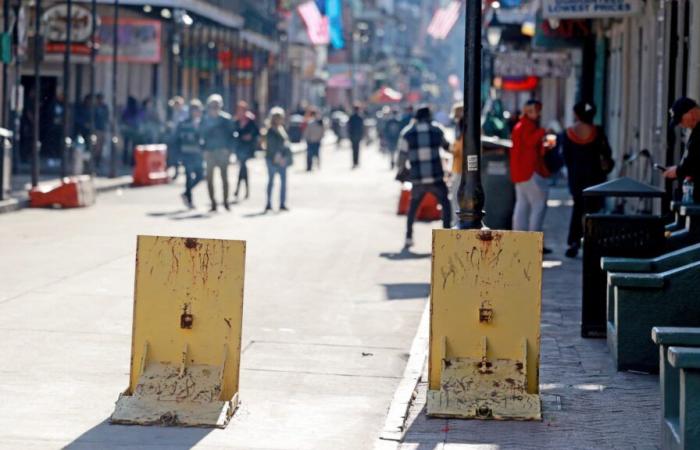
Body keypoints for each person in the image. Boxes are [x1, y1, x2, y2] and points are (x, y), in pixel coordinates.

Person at [561, 101, 614, 258]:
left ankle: (574, 242)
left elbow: (566, 157)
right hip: (595, 176)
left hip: (577, 176)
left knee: (578, 209)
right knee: (593, 210)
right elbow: (607, 153)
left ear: (577, 114)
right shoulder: (598, 132)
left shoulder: (569, 133)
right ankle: (593, 241)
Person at [396, 105, 452, 248]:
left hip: (417, 179)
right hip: (436, 177)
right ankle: (446, 236)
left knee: (413, 207)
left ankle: (409, 237)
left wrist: (402, 171)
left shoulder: (407, 133)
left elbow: (401, 158)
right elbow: (447, 147)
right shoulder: (437, 130)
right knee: (445, 204)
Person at [510, 100, 552, 253]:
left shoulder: (519, 126)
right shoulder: (528, 126)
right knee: (538, 205)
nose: (539, 114)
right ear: (529, 111)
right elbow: (530, 142)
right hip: (530, 171)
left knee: (522, 204)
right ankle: (535, 243)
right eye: (536, 110)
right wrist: (544, 132)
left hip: (519, 172)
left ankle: (519, 240)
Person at [201, 94, 235, 212]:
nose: (214, 108)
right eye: (212, 106)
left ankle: (225, 201)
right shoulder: (205, 120)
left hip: (222, 152)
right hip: (210, 152)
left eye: (216, 106)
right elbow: (201, 136)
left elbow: (232, 136)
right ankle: (213, 202)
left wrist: (229, 151)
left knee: (224, 178)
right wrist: (203, 150)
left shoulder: (226, 119)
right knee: (209, 178)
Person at [663, 97, 700, 203]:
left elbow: (694, 161)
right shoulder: (695, 132)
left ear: (692, 113)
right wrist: (678, 169)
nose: (681, 124)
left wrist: (678, 171)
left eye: (681, 120)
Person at [173, 99, 204, 209]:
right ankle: (190, 200)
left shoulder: (201, 123)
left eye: (199, 110)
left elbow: (203, 138)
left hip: (197, 154)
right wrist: (177, 155)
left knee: (200, 175)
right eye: (195, 110)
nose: (197, 112)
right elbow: (176, 139)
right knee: (188, 176)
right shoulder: (183, 123)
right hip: (186, 153)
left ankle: (186, 192)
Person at [264, 107, 293, 212]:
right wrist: (277, 157)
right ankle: (268, 203)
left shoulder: (282, 129)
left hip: (282, 159)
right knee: (271, 181)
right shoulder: (270, 131)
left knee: (283, 182)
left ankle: (282, 203)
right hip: (273, 159)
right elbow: (271, 146)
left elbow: (285, 145)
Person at [233, 101, 259, 200]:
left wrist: (250, 136)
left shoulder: (250, 120)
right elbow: (233, 133)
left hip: (248, 148)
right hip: (239, 147)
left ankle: (238, 189)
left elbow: (256, 132)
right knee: (243, 168)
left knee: (242, 167)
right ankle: (245, 190)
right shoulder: (236, 121)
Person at [450, 102, 464, 225]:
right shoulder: (459, 128)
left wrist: (454, 150)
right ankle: (456, 221)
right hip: (458, 167)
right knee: (455, 195)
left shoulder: (465, 128)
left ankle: (457, 221)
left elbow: (460, 149)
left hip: (462, 168)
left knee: (456, 196)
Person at [121, 96, 143, 166]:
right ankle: (131, 161)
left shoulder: (130, 109)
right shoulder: (133, 109)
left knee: (128, 146)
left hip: (131, 131)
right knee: (131, 147)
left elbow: (124, 119)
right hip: (131, 131)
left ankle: (127, 161)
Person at [347, 104, 365, 168]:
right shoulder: (359, 117)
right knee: (357, 149)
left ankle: (355, 162)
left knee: (354, 149)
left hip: (354, 135)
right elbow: (362, 128)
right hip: (356, 135)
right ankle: (356, 162)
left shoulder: (352, 117)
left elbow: (349, 127)